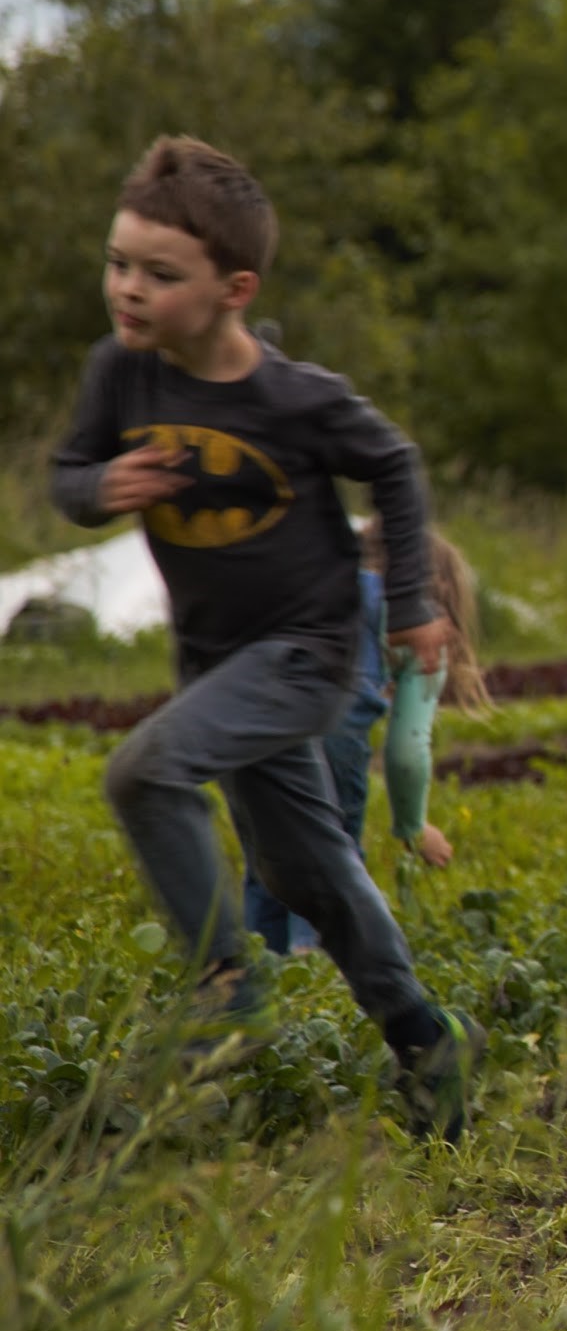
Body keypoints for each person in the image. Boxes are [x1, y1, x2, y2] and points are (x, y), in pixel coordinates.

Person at [49, 136, 482, 1140]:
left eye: (161, 274)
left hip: (306, 651)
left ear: (234, 287)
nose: (129, 289)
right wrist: (98, 489)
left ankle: (224, 979)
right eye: (119, 263)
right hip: (213, 654)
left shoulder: (296, 399)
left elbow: (397, 468)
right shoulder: (120, 374)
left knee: (142, 773)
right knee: (305, 869)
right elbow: (70, 469)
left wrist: (411, 600)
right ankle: (427, 1039)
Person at [243, 526, 492, 956]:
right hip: (333, 732)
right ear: (445, 590)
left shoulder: (318, 588)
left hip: (251, 721)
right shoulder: (424, 631)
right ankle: (314, 961)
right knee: (328, 853)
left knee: (269, 859)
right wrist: (413, 826)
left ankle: (256, 972)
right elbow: (406, 755)